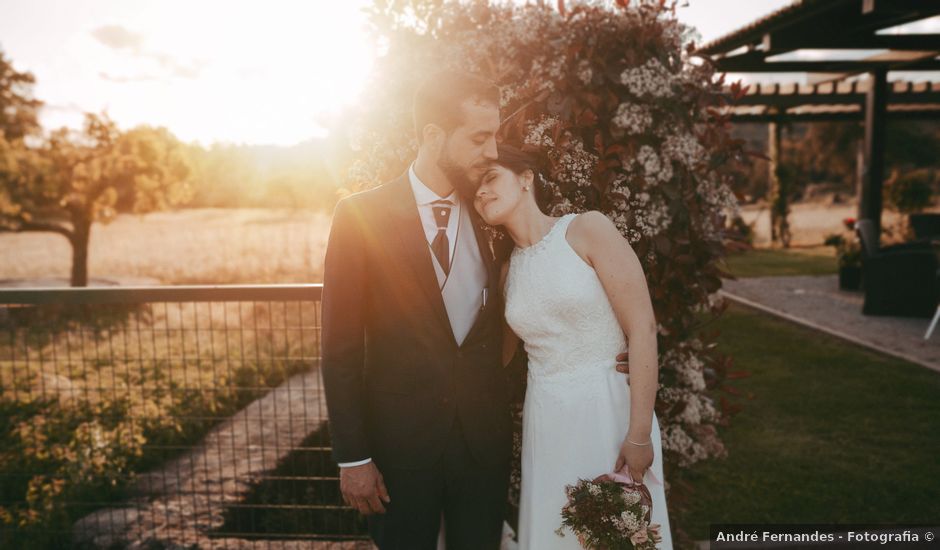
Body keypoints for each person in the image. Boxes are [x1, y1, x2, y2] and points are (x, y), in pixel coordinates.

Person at [320, 70, 515, 550]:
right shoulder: (359, 217)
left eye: (494, 135)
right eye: (479, 136)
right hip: (397, 453)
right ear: (433, 136)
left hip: (482, 449)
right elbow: (339, 346)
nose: (492, 151)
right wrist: (353, 458)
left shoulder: (496, 212)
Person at [472, 143, 674, 549]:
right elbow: (498, 358)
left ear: (526, 178)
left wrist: (638, 435)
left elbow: (643, 327)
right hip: (547, 420)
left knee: (618, 535)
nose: (481, 193)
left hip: (609, 409)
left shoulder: (586, 229)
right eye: (474, 189)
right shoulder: (507, 270)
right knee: (556, 533)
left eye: (490, 178)